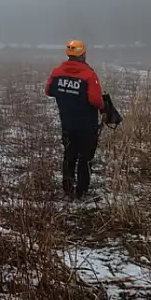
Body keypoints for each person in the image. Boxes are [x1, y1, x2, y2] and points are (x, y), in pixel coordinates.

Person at [45, 40, 106, 200]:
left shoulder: (57, 72)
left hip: (67, 122)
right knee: (85, 157)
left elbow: (49, 91)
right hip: (87, 124)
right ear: (83, 54)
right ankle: (81, 191)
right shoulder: (89, 74)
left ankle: (67, 187)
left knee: (69, 153)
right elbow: (95, 100)